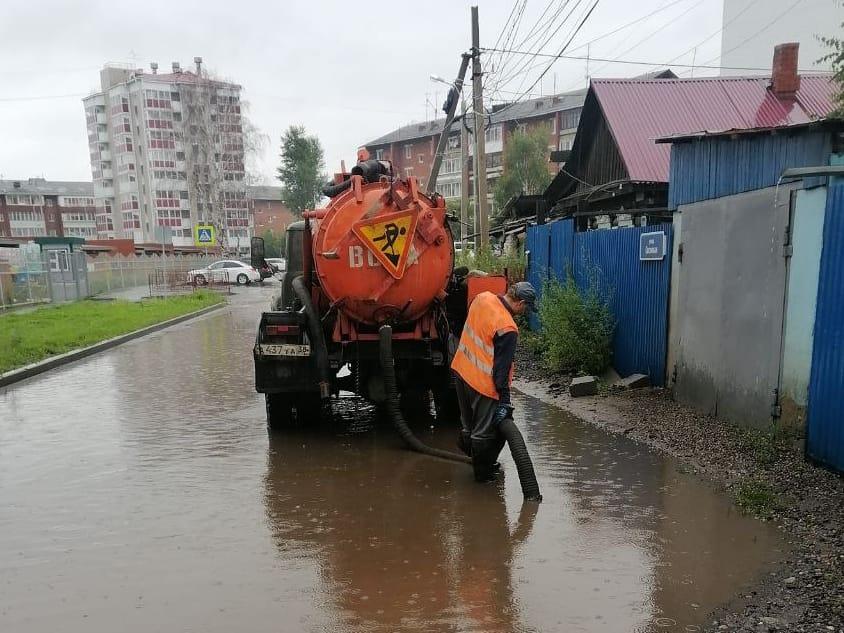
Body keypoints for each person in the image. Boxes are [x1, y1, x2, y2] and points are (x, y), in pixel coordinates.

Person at [450, 281, 537, 482]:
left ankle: (476, 459)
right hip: (482, 384)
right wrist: (504, 400)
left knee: (469, 425)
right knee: (484, 432)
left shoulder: (482, 298)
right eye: (527, 308)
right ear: (520, 303)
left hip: (461, 371)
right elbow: (501, 371)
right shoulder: (507, 327)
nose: (525, 312)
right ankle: (482, 478)